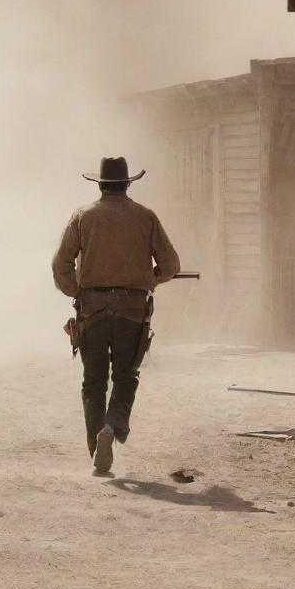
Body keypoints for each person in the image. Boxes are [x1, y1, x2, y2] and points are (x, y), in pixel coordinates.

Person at [52, 156, 180, 475]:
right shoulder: (145, 217)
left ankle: (97, 446)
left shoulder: (82, 216)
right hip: (132, 311)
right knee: (125, 376)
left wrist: (77, 291)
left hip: (92, 311)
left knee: (93, 381)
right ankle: (112, 425)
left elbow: (60, 266)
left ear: (101, 184)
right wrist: (150, 279)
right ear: (127, 184)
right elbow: (171, 266)